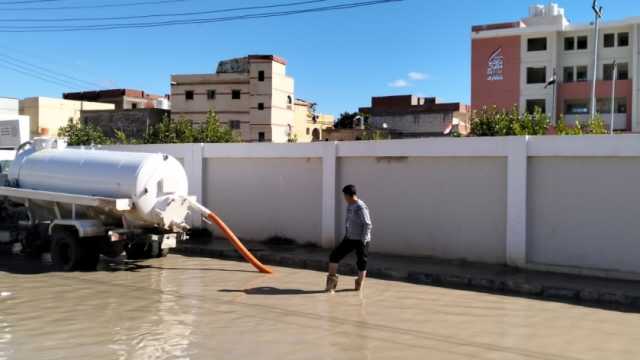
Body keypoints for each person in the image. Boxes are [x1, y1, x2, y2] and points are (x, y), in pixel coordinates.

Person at [325, 184, 372, 293]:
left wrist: (363, 240)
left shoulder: (361, 207)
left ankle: (359, 285)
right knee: (334, 256)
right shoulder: (349, 205)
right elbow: (348, 222)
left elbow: (367, 224)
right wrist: (347, 234)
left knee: (361, 263)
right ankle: (331, 286)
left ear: (348, 195)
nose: (344, 198)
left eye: (344, 196)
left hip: (361, 240)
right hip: (350, 238)